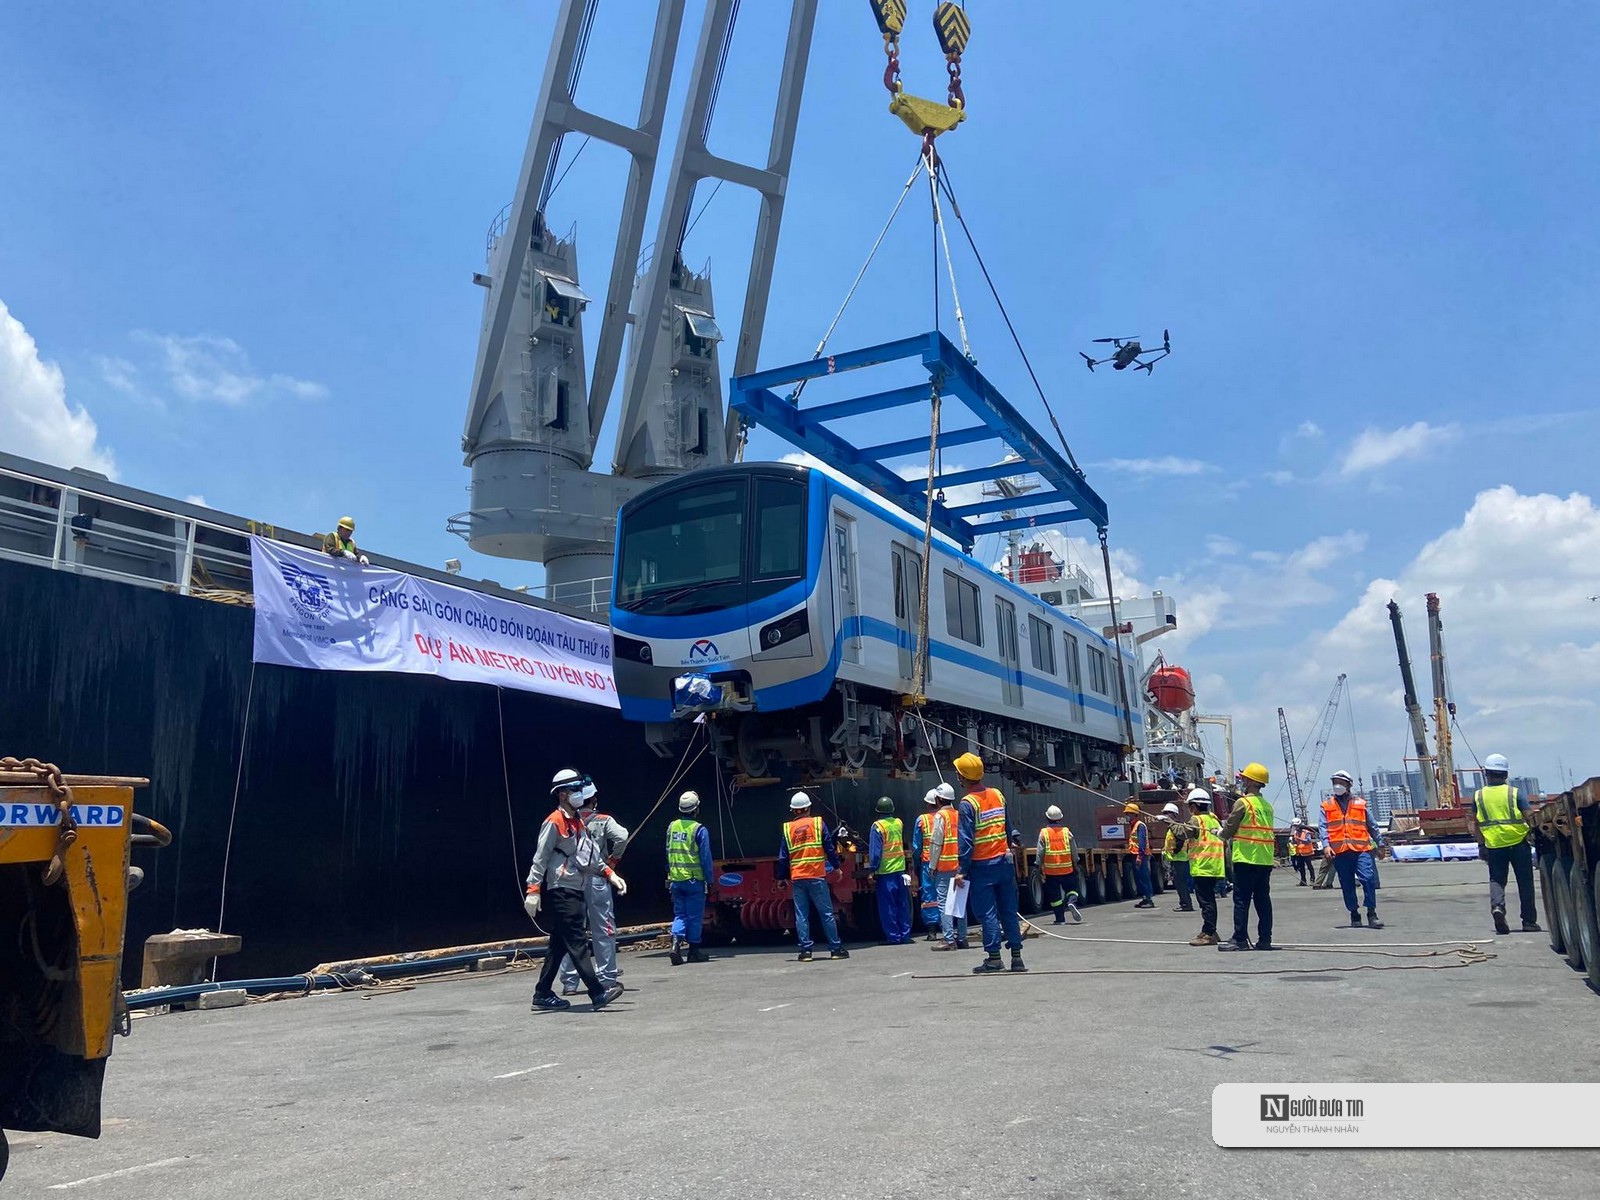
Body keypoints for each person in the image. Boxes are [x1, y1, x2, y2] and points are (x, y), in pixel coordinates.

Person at [524, 769, 625, 1011]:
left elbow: (588, 855)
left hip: (575, 888)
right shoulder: (553, 822)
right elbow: (541, 857)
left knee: (559, 944)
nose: (580, 794)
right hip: (562, 890)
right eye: (575, 790)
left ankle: (542, 993)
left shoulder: (577, 821)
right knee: (578, 942)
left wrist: (610, 874)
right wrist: (533, 889)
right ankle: (597, 992)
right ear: (562, 794)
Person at [953, 753, 1027, 974]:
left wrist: (961, 870)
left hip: (982, 867)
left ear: (961, 777)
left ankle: (994, 959)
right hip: (1004, 863)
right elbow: (1008, 826)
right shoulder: (997, 794)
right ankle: (1017, 958)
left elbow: (966, 841)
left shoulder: (967, 804)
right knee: (1009, 910)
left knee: (988, 914)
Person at [558, 788, 630, 995]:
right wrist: (613, 861)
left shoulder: (568, 820)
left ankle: (569, 982)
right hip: (597, 878)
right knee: (604, 928)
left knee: (572, 929)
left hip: (572, 880)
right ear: (594, 800)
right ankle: (607, 978)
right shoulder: (603, 820)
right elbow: (622, 837)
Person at [1468, 753, 1541, 935]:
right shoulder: (1514, 793)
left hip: (1494, 846)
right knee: (1525, 882)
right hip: (1518, 844)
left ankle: (1498, 908)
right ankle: (1529, 921)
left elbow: (1475, 824)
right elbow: (1530, 816)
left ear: (1487, 774)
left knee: (1497, 880)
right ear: (1505, 775)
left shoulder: (1478, 796)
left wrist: (1481, 846)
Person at [777, 792, 849, 962]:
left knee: (801, 915)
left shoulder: (788, 829)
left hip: (798, 878)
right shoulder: (818, 824)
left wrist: (781, 877)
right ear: (808, 808)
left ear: (794, 811)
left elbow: (783, 857)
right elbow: (829, 848)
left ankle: (805, 952)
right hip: (817, 875)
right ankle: (835, 949)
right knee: (826, 913)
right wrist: (837, 868)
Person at [1218, 762, 1276, 952]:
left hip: (1246, 858)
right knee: (1263, 901)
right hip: (1264, 860)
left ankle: (1240, 939)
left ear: (1251, 781)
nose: (1241, 780)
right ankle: (1265, 940)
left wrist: (1218, 832)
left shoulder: (1243, 803)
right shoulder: (1267, 806)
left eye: (1244, 778)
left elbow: (1229, 829)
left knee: (1241, 901)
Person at [1320, 769, 1384, 930]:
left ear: (1349, 785)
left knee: (1368, 878)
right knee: (1347, 883)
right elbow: (1323, 828)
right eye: (1335, 782)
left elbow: (1373, 826)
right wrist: (1326, 846)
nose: (1337, 785)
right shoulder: (1326, 806)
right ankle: (1354, 913)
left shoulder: (1360, 804)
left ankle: (1371, 912)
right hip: (1340, 851)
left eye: (1341, 782)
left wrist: (1381, 845)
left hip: (1361, 849)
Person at [665, 790, 714, 965]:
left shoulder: (672, 827)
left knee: (680, 914)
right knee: (694, 916)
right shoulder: (699, 830)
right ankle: (694, 951)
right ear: (696, 809)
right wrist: (710, 880)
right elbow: (705, 858)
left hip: (676, 879)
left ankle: (675, 944)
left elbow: (668, 852)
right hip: (694, 880)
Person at [868, 797, 913, 944]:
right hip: (899, 870)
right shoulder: (898, 823)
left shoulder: (878, 827)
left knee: (888, 907)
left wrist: (872, 870)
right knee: (902, 905)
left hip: (885, 872)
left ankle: (894, 937)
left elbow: (875, 852)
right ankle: (905, 935)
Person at [929, 784, 969, 951]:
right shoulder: (958, 815)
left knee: (945, 904)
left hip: (944, 865)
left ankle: (948, 939)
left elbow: (936, 842)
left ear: (938, 799)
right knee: (960, 903)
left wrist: (932, 865)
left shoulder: (940, 816)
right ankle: (962, 938)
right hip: (959, 866)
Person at [1184, 789, 1226, 946]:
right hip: (1214, 866)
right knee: (1209, 901)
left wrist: (1168, 823)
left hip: (1203, 866)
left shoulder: (1196, 820)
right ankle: (1211, 930)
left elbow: (1184, 833)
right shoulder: (1214, 820)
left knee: (1206, 902)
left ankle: (1208, 933)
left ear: (1194, 806)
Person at [1037, 805, 1082, 924]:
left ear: (1047, 818)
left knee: (1055, 897)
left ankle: (1060, 919)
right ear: (1060, 818)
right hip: (1067, 869)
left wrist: (1038, 864)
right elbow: (1074, 850)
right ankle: (1071, 902)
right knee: (1072, 889)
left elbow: (1040, 851)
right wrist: (1075, 862)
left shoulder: (1044, 833)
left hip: (1051, 871)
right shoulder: (1067, 832)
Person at [911, 787, 944, 940]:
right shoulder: (946, 817)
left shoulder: (921, 820)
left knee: (929, 895)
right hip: (945, 862)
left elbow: (917, 846)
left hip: (927, 862)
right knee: (945, 895)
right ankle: (947, 928)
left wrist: (915, 864)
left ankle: (932, 931)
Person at [1161, 801, 1194, 912]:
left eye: (1168, 813)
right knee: (1180, 883)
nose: (1166, 816)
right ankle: (1185, 903)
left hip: (1180, 859)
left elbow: (1180, 841)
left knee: (1181, 884)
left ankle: (1186, 904)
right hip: (1177, 859)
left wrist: (1174, 852)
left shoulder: (1178, 826)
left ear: (1174, 814)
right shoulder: (1172, 827)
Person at [1124, 801, 1154, 908]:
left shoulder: (1139, 826)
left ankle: (1149, 899)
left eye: (1128, 814)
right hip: (1135, 855)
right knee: (1138, 878)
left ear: (1134, 814)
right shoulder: (1133, 826)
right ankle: (1145, 899)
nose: (1127, 816)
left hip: (1140, 855)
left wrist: (1139, 857)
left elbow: (1141, 842)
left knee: (1143, 877)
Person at [1289, 818, 1317, 885]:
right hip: (1300, 852)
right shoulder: (1295, 832)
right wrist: (1293, 841)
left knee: (1309, 866)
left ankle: (1312, 879)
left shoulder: (1306, 832)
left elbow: (1308, 841)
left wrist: (1299, 839)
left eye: (1297, 826)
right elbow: (1296, 842)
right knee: (1301, 867)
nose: (1296, 827)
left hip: (1307, 852)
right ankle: (1303, 881)